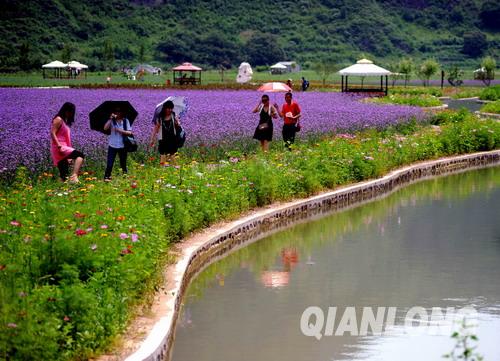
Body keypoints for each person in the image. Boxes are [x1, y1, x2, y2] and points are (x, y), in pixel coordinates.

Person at [50, 102, 85, 183]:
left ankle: (60, 191)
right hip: (59, 147)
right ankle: (74, 176)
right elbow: (52, 133)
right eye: (70, 112)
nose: (71, 114)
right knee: (80, 155)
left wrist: (68, 157)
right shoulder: (58, 119)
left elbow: (66, 139)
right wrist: (58, 145)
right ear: (66, 110)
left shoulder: (64, 122)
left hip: (64, 147)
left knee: (64, 175)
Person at [103, 107, 133, 181]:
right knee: (109, 163)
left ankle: (125, 178)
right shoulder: (112, 121)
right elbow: (105, 128)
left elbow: (129, 132)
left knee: (123, 163)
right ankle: (106, 178)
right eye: (116, 111)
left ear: (122, 112)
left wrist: (120, 130)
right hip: (112, 145)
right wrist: (110, 119)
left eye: (119, 111)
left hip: (122, 145)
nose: (117, 112)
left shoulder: (126, 121)